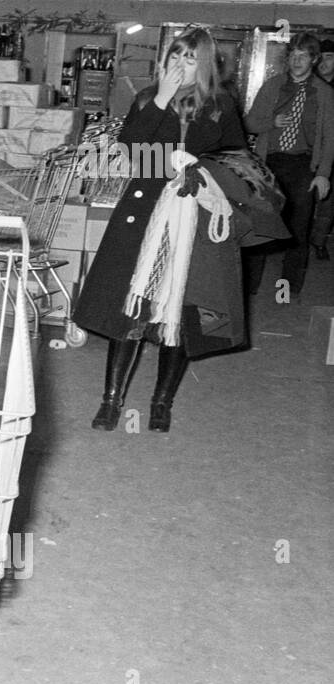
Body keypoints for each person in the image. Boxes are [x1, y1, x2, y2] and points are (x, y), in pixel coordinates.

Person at [73, 27, 247, 433]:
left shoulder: (220, 105)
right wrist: (164, 103)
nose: (179, 65)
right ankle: (111, 401)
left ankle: (162, 402)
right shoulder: (148, 98)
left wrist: (200, 173)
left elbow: (236, 160)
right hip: (145, 215)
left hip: (195, 218)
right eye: (175, 55)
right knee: (129, 307)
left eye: (189, 58)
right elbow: (132, 150)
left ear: (203, 65)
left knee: (182, 310)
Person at [243, 33, 334, 296]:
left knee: (297, 229)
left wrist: (324, 174)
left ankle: (287, 289)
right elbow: (249, 123)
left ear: (314, 60)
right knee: (260, 225)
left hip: (303, 165)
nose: (296, 60)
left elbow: (329, 138)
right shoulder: (272, 86)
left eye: (303, 56)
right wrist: (271, 122)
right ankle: (250, 287)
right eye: (293, 55)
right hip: (269, 163)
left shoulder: (325, 94)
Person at [309, 38, 334, 260]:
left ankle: (318, 241)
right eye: (322, 57)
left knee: (328, 205)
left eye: (330, 57)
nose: (324, 62)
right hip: (311, 151)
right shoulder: (310, 86)